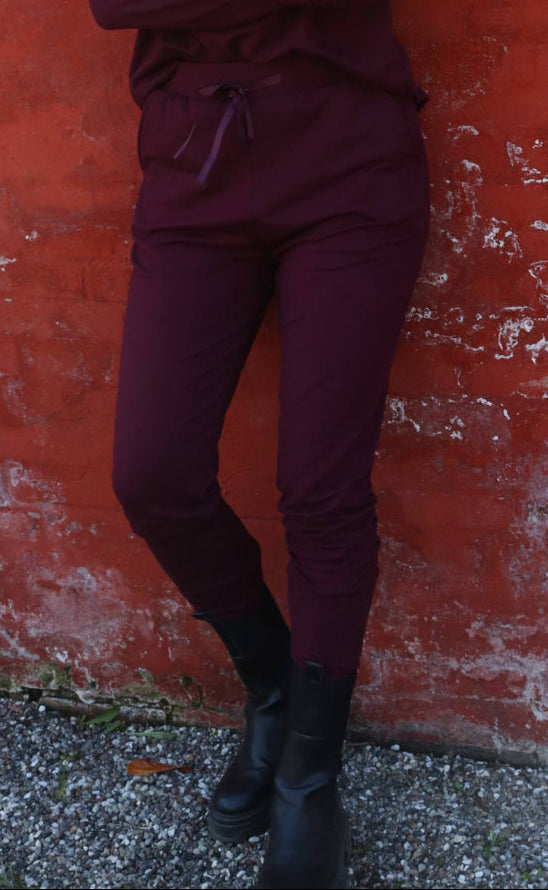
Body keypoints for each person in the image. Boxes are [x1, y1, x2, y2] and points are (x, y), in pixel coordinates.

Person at [88, 1, 430, 887]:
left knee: (322, 490)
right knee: (152, 471)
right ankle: (275, 687)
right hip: (195, 157)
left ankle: (309, 776)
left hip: (348, 159)